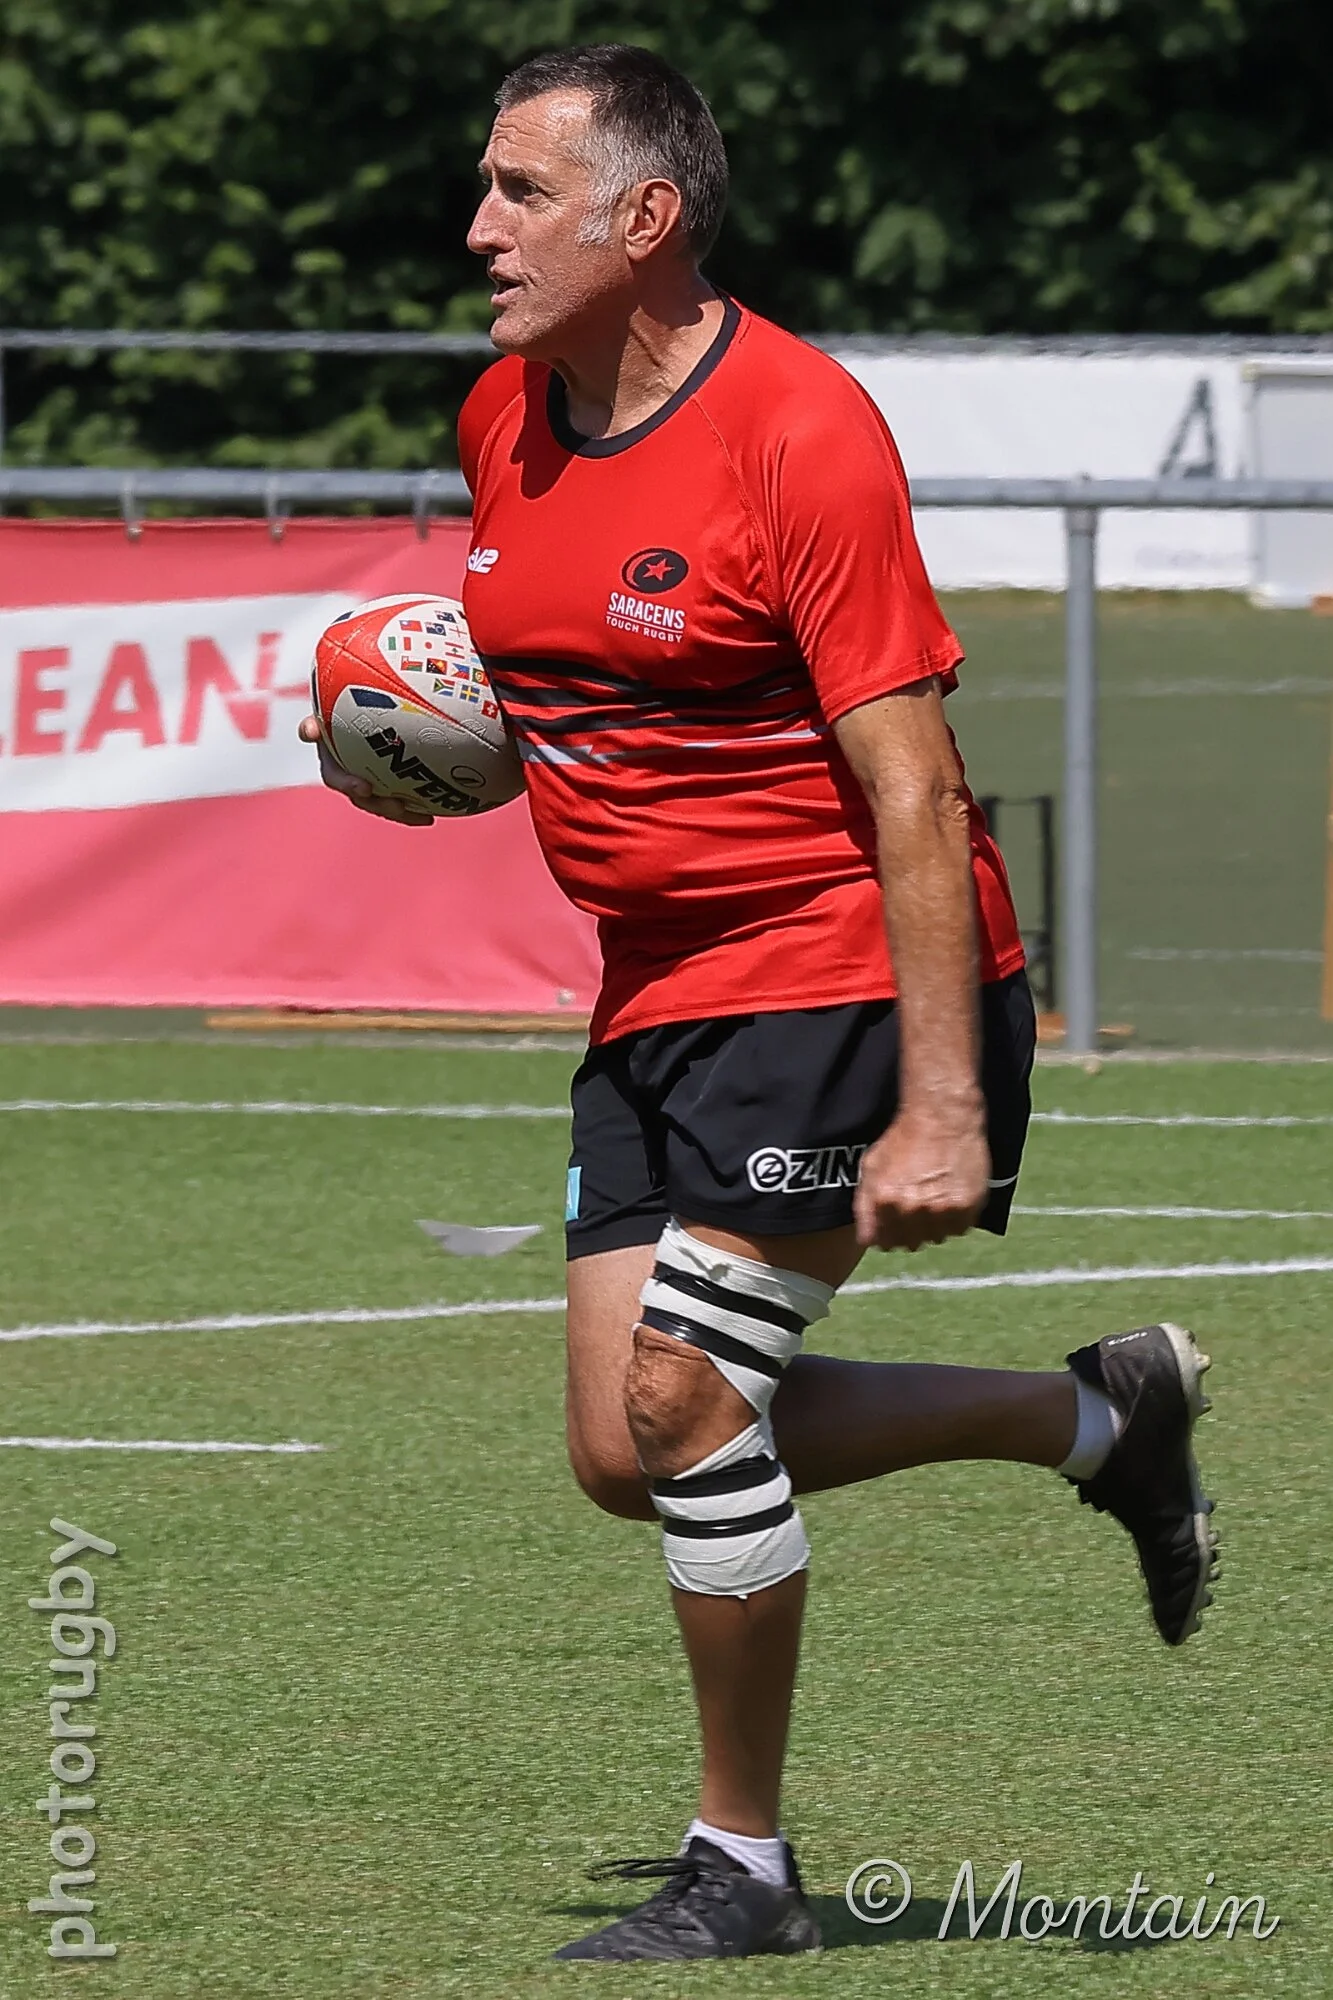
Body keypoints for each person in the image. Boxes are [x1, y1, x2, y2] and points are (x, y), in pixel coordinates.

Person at [300, 43, 1217, 1964]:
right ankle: (1100, 1421)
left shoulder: (802, 430)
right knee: (624, 1456)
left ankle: (744, 1866)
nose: (476, 229)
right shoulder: (503, 420)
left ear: (646, 218)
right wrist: (430, 738)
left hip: (838, 977)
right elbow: (561, 681)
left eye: (517, 192)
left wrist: (948, 1100)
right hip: (650, 1001)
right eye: (483, 188)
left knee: (685, 1393)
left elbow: (909, 785)